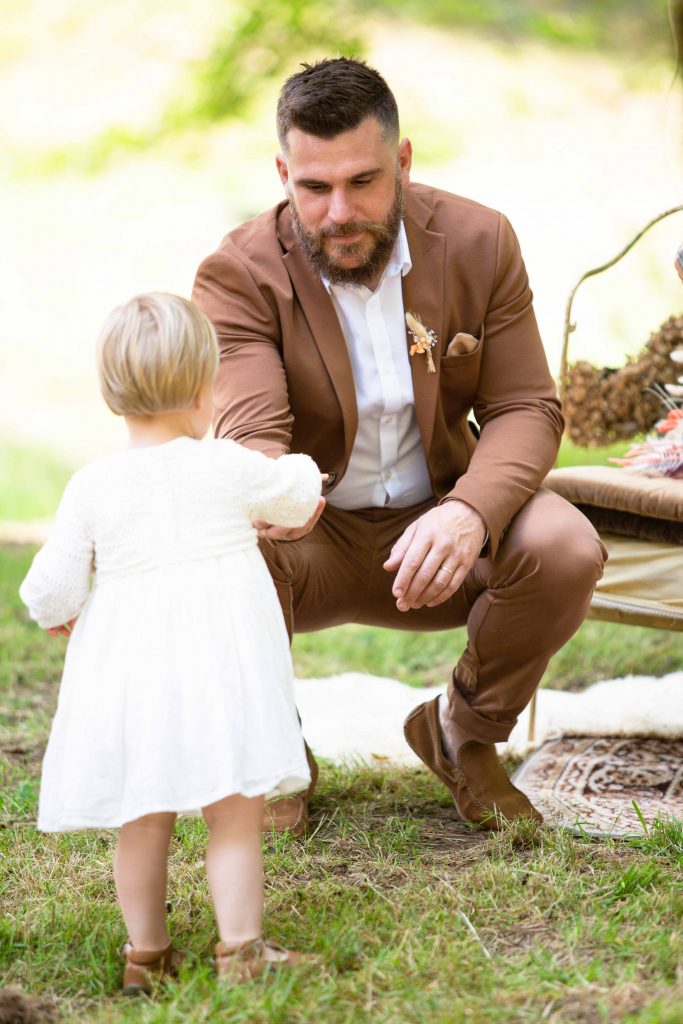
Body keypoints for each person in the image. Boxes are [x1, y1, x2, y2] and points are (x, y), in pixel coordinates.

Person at [192, 58, 606, 834]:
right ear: (282, 175)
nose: (338, 212)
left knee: (564, 546)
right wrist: (270, 492)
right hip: (309, 536)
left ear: (403, 161)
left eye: (363, 182)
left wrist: (468, 513)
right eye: (313, 188)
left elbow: (524, 406)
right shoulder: (237, 271)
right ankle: (272, 749)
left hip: (442, 524)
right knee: (220, 537)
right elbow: (253, 435)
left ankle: (461, 733)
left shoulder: (479, 241)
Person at [19, 293, 322, 992]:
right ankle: (242, 951)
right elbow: (295, 493)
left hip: (133, 677)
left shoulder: (92, 485)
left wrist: (64, 613)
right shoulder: (226, 465)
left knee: (142, 814)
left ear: (112, 392)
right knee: (234, 812)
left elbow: (49, 588)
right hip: (221, 671)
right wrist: (311, 477)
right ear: (200, 391)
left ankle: (146, 956)